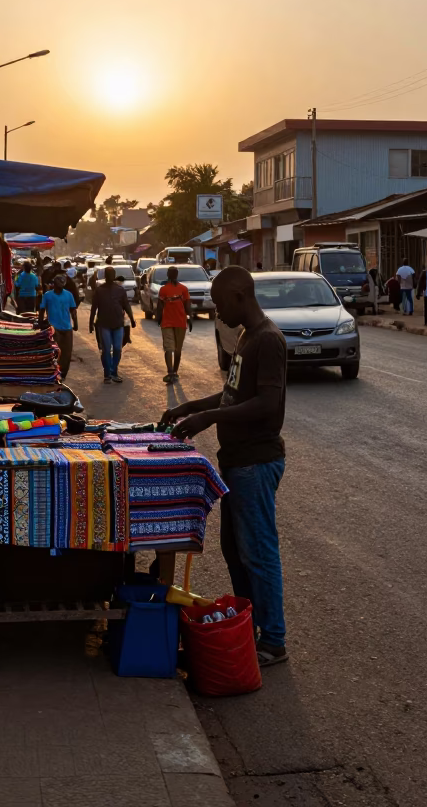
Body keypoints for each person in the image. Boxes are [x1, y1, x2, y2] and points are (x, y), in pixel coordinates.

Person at [160, 266, 287, 667]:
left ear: (239, 295)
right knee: (235, 550)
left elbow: (269, 404)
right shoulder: (247, 337)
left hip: (255, 462)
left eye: (218, 304)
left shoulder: (268, 340)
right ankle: (247, 626)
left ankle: (274, 640)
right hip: (236, 462)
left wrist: (211, 419)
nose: (216, 313)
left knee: (258, 552)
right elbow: (233, 392)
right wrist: (192, 407)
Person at [88, 265, 136, 383]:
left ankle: (113, 371)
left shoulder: (120, 290)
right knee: (105, 350)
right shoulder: (99, 290)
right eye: (108, 274)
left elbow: (126, 306)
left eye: (112, 274)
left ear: (114, 276)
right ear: (105, 276)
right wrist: (90, 323)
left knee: (117, 349)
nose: (110, 276)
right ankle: (107, 374)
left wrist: (132, 319)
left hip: (118, 324)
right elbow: (94, 308)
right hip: (103, 324)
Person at [38, 274, 78, 378]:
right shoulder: (47, 295)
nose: (60, 287)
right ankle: (55, 371)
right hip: (54, 328)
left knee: (67, 352)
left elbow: (73, 310)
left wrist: (75, 323)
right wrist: (40, 323)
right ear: (54, 284)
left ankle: (63, 373)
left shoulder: (69, 295)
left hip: (67, 327)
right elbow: (42, 310)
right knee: (55, 352)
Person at [157, 265, 192, 384]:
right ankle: (170, 372)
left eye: (174, 273)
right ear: (168, 275)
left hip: (180, 322)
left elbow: (187, 305)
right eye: (171, 273)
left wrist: (189, 318)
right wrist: (159, 318)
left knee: (177, 350)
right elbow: (160, 305)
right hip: (167, 322)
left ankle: (174, 372)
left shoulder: (183, 289)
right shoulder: (163, 289)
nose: (173, 275)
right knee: (169, 348)